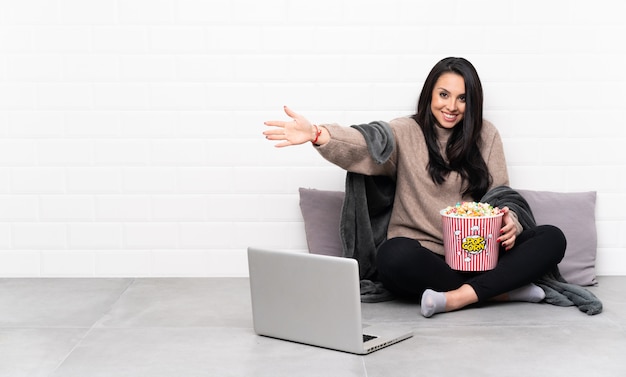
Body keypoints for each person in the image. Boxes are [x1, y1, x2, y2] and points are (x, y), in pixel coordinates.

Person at [263, 57, 566, 318]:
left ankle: (460, 297)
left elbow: (502, 194)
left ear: (473, 101)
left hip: (480, 256)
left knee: (552, 237)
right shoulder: (405, 132)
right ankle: (500, 291)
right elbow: (366, 146)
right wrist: (318, 134)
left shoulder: (486, 135)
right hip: (428, 260)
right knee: (392, 257)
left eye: (462, 98)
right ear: (429, 94)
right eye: (444, 94)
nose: (452, 106)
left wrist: (510, 219)